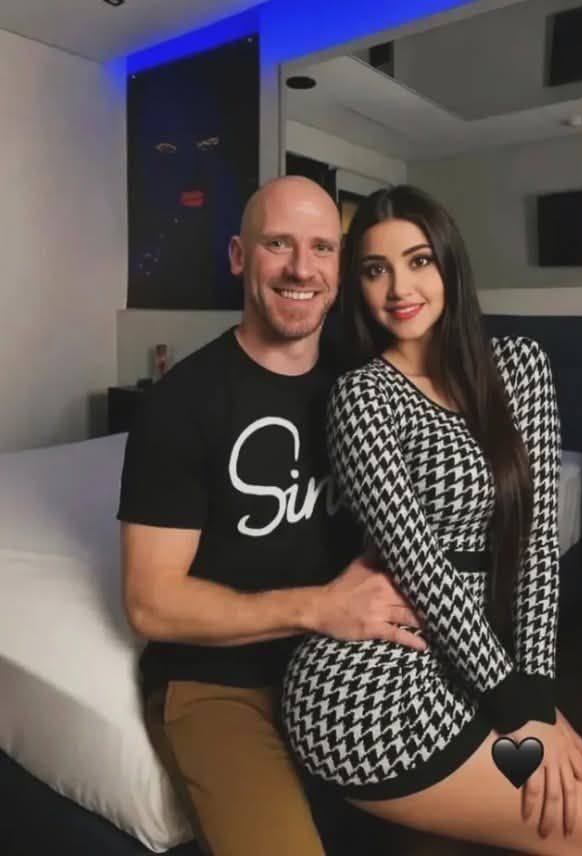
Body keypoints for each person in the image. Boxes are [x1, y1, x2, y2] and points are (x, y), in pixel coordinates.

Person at [282, 184, 582, 855]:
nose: (399, 288)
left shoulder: (519, 366)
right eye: (375, 270)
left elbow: (536, 545)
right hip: (366, 690)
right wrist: (518, 706)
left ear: (449, 265)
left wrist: (534, 694)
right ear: (357, 287)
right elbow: (420, 568)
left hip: (470, 662)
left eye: (419, 260)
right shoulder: (362, 396)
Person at [117, 176, 428, 856]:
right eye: (277, 245)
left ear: (339, 268)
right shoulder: (180, 404)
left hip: (342, 665)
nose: (301, 268)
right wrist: (319, 607)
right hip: (218, 685)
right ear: (238, 256)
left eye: (322, 248)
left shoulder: (367, 381)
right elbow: (150, 605)